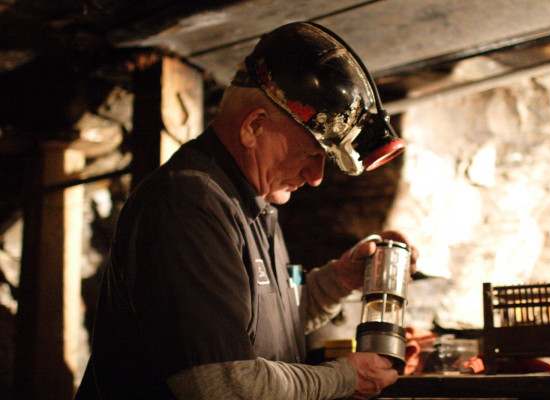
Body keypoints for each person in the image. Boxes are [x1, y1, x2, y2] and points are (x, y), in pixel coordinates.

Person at [76, 21, 418, 400]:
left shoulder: (255, 201)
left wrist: (341, 278)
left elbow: (265, 323)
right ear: (254, 126)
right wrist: (344, 377)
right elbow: (225, 386)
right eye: (310, 155)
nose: (316, 177)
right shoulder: (189, 204)